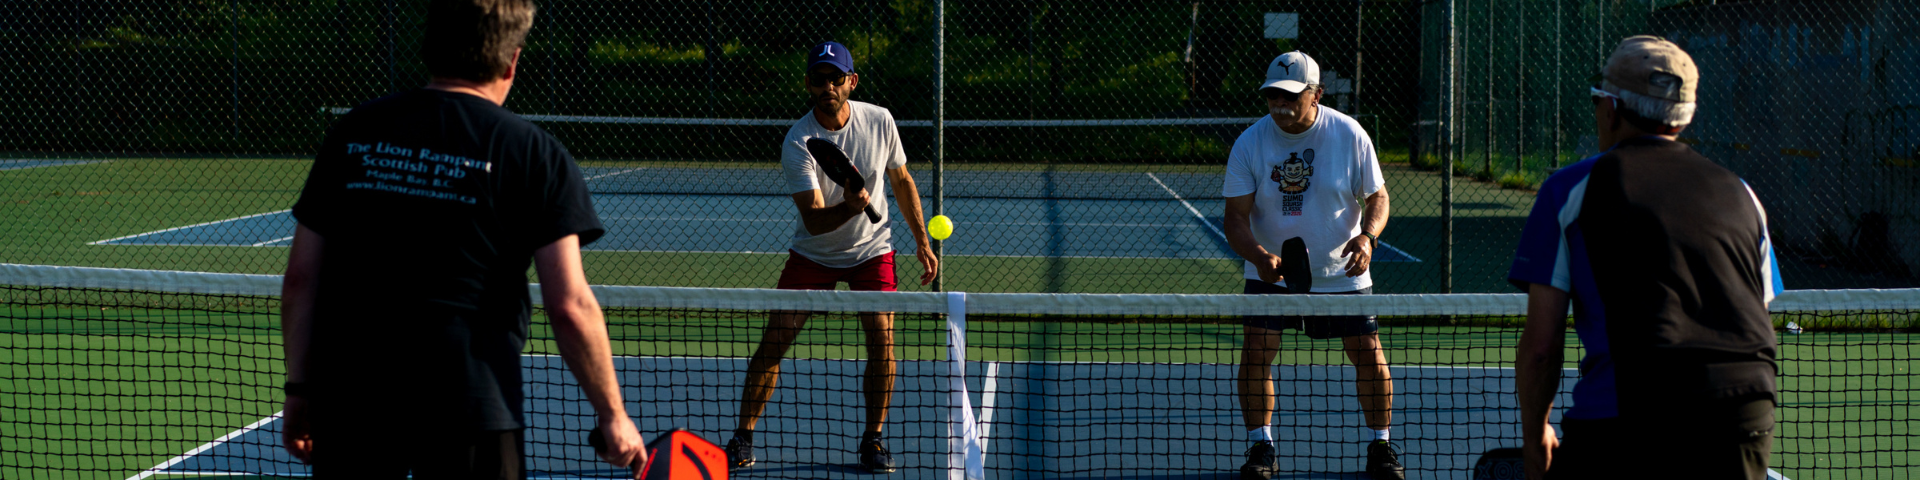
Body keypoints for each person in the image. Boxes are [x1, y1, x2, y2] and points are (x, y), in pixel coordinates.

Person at [278, 0, 645, 476]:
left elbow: (301, 281)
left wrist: (301, 390)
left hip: (353, 403)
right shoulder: (536, 153)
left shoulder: (354, 131)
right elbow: (570, 305)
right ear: (513, 59)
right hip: (473, 407)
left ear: (431, 48)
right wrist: (612, 415)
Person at [1509, 36, 1784, 480]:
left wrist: (1534, 434)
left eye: (1598, 100)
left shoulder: (1570, 189)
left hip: (1627, 418)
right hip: (1745, 413)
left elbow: (1542, 348)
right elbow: (1754, 313)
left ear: (1611, 109)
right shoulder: (1742, 194)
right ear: (1686, 115)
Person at [722, 40, 939, 474]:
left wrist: (921, 240)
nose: (828, 87)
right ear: (808, 83)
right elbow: (816, 220)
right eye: (819, 79)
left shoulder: (879, 121)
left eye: (836, 78)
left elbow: (900, 179)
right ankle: (743, 436)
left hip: (872, 250)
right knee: (774, 342)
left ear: (851, 81)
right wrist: (851, 207)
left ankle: (872, 440)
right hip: (814, 253)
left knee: (883, 340)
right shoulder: (798, 140)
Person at [1223, 51, 1400, 480]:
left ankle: (1381, 446)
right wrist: (1259, 257)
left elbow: (1378, 197)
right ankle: (1261, 447)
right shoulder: (1250, 142)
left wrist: (1368, 237)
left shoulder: (1349, 134)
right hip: (1271, 274)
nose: (1279, 104)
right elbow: (1234, 219)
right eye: (1272, 96)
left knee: (1369, 357)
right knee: (1256, 354)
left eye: (1289, 96)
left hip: (1344, 275)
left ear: (1315, 93)